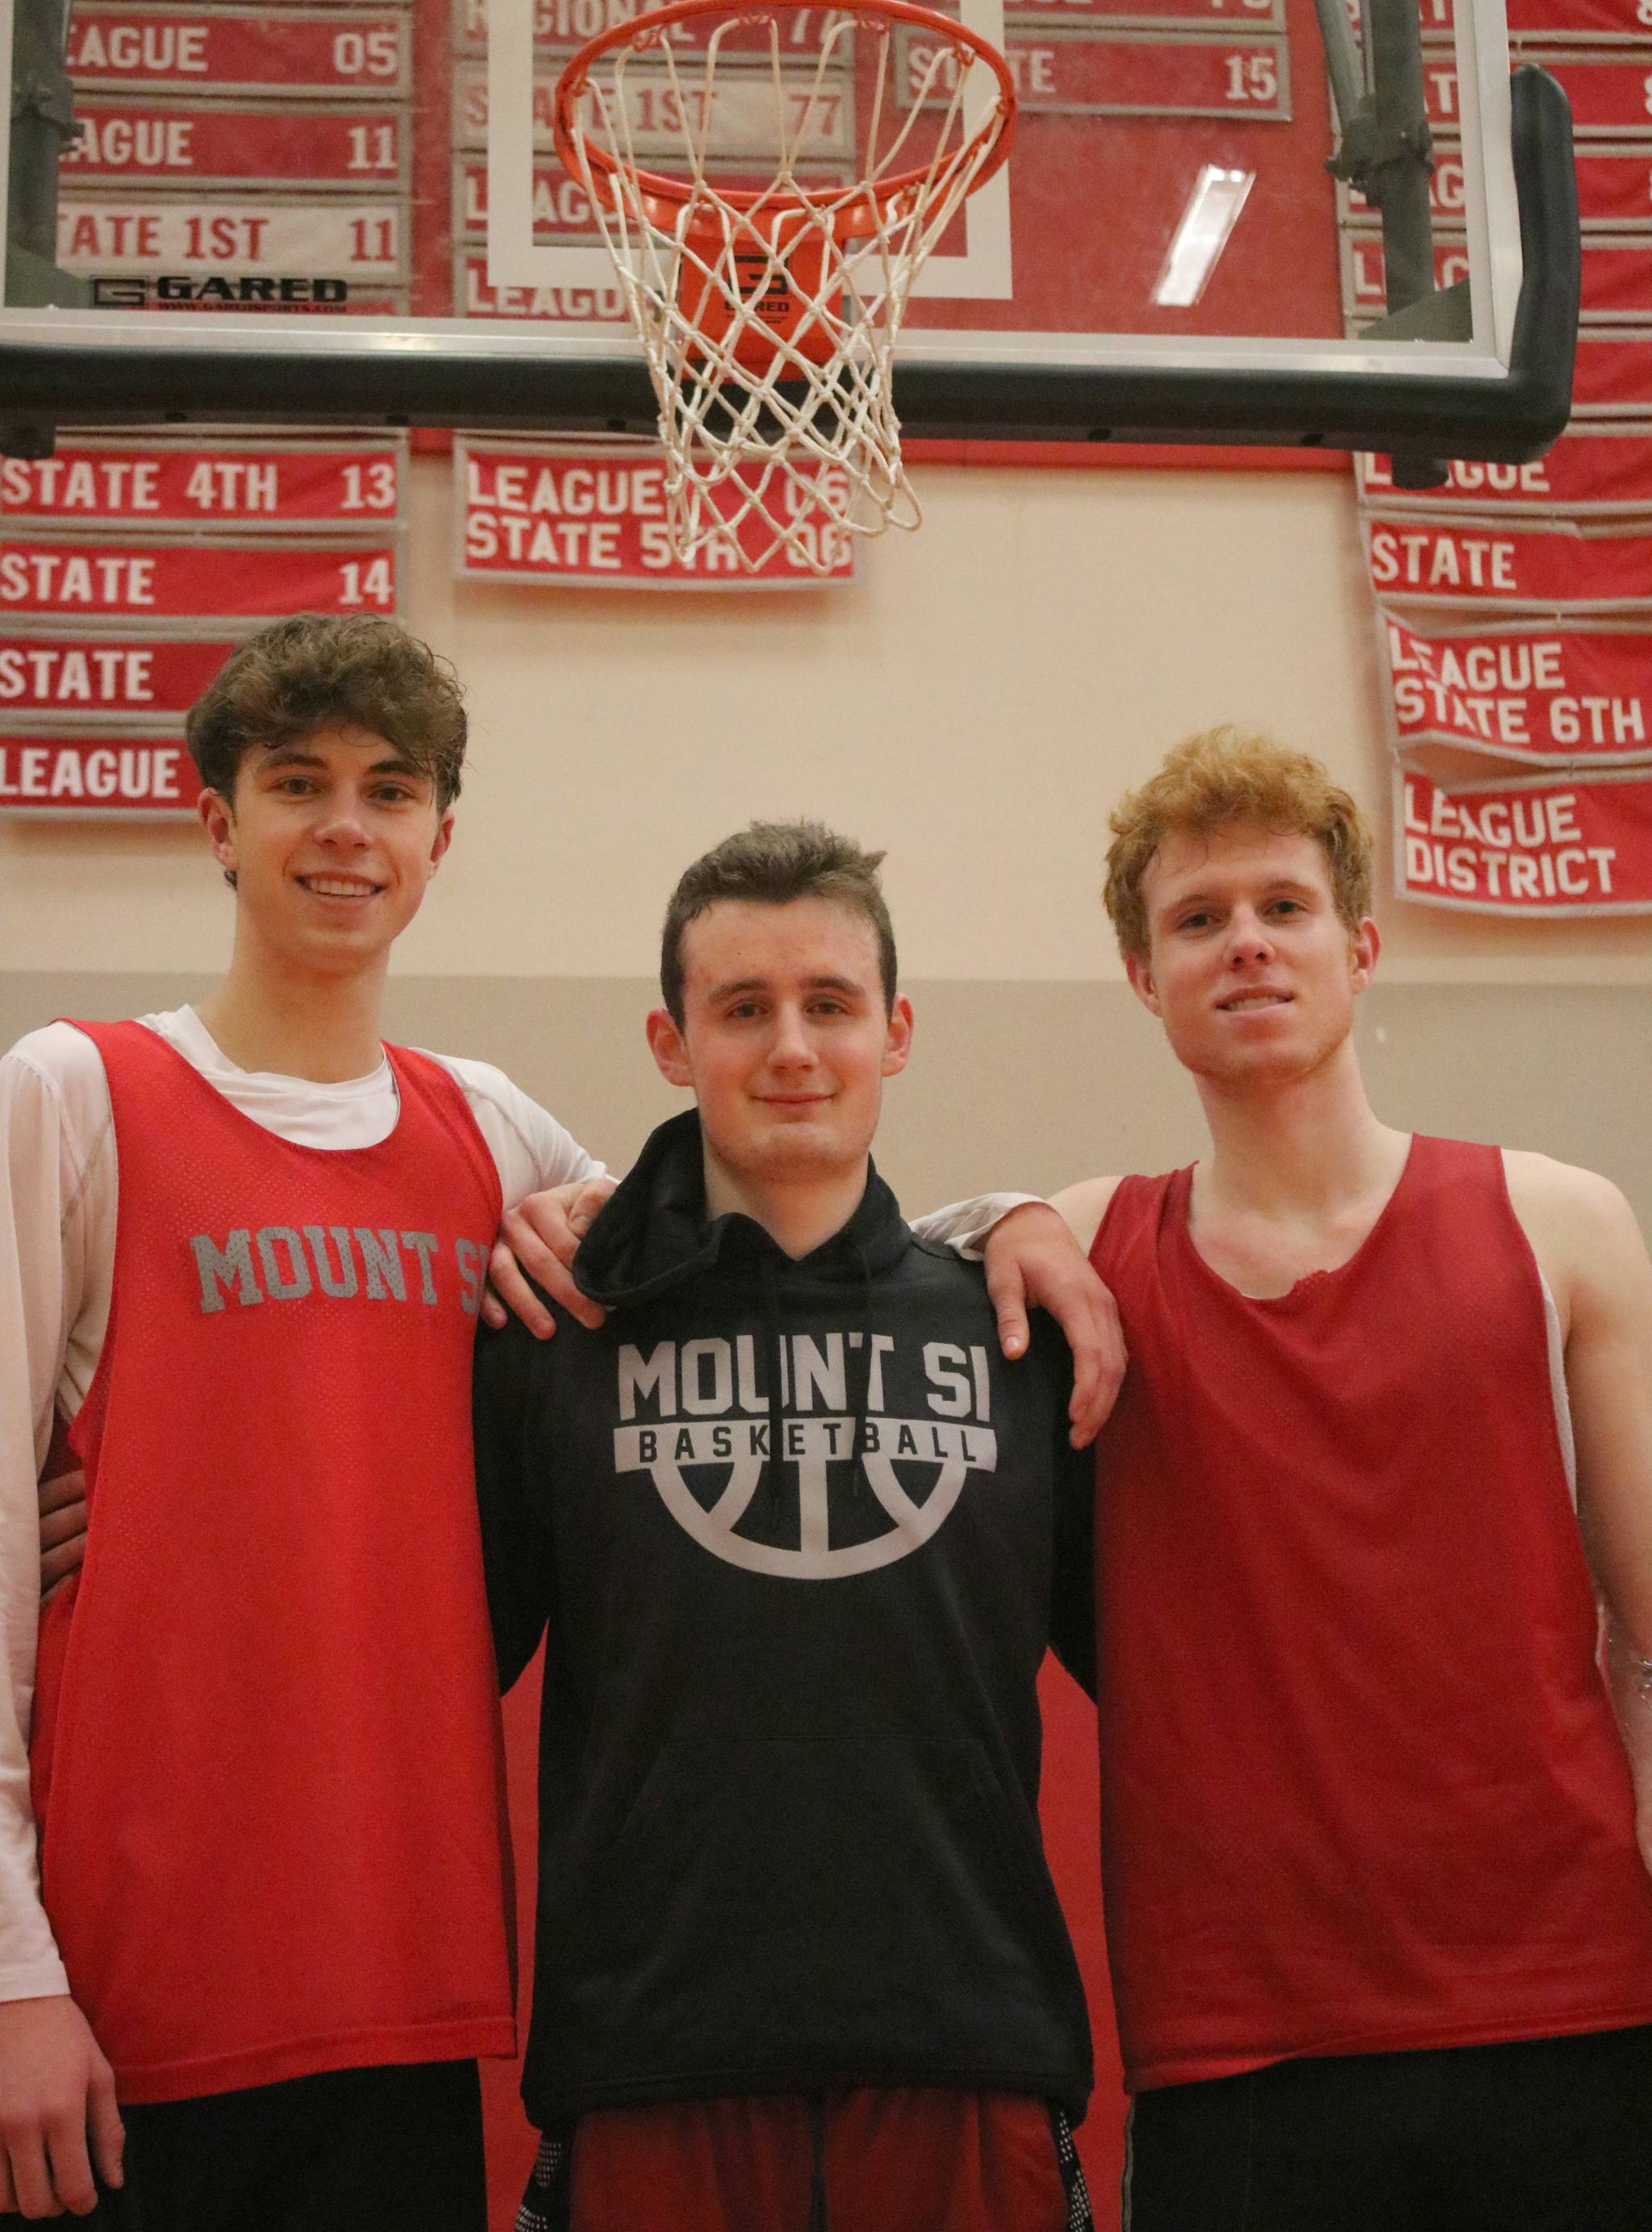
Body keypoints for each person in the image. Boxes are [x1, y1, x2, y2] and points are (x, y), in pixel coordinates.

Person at [990, 728, 1652, 2231]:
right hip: (1242, 2037)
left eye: (1283, 907)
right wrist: (1001, 1211)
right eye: (1198, 919)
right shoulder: (1085, 1244)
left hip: (1569, 2003)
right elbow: (889, 1253)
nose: (1247, 947)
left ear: (1359, 948)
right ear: (1144, 981)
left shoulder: (1562, 1222)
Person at [0, 615, 612, 2230]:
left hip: (399, 1984)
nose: (347, 825)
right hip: (118, 2002)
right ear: (218, 821)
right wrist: (11, 1980)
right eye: (298, 783)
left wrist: (1011, 1230)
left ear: (437, 840)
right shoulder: (73, 1091)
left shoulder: (495, 1130)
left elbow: (782, 1248)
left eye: (389, 790)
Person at [470, 820, 1098, 2232]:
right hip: (648, 2059)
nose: (793, 1047)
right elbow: (415, 1661)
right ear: (670, 1042)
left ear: (899, 1029)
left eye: (831, 1004)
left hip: (968, 2049)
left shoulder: (1019, 1330)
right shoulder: (558, 1328)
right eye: (742, 1010)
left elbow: (1185, 1674)